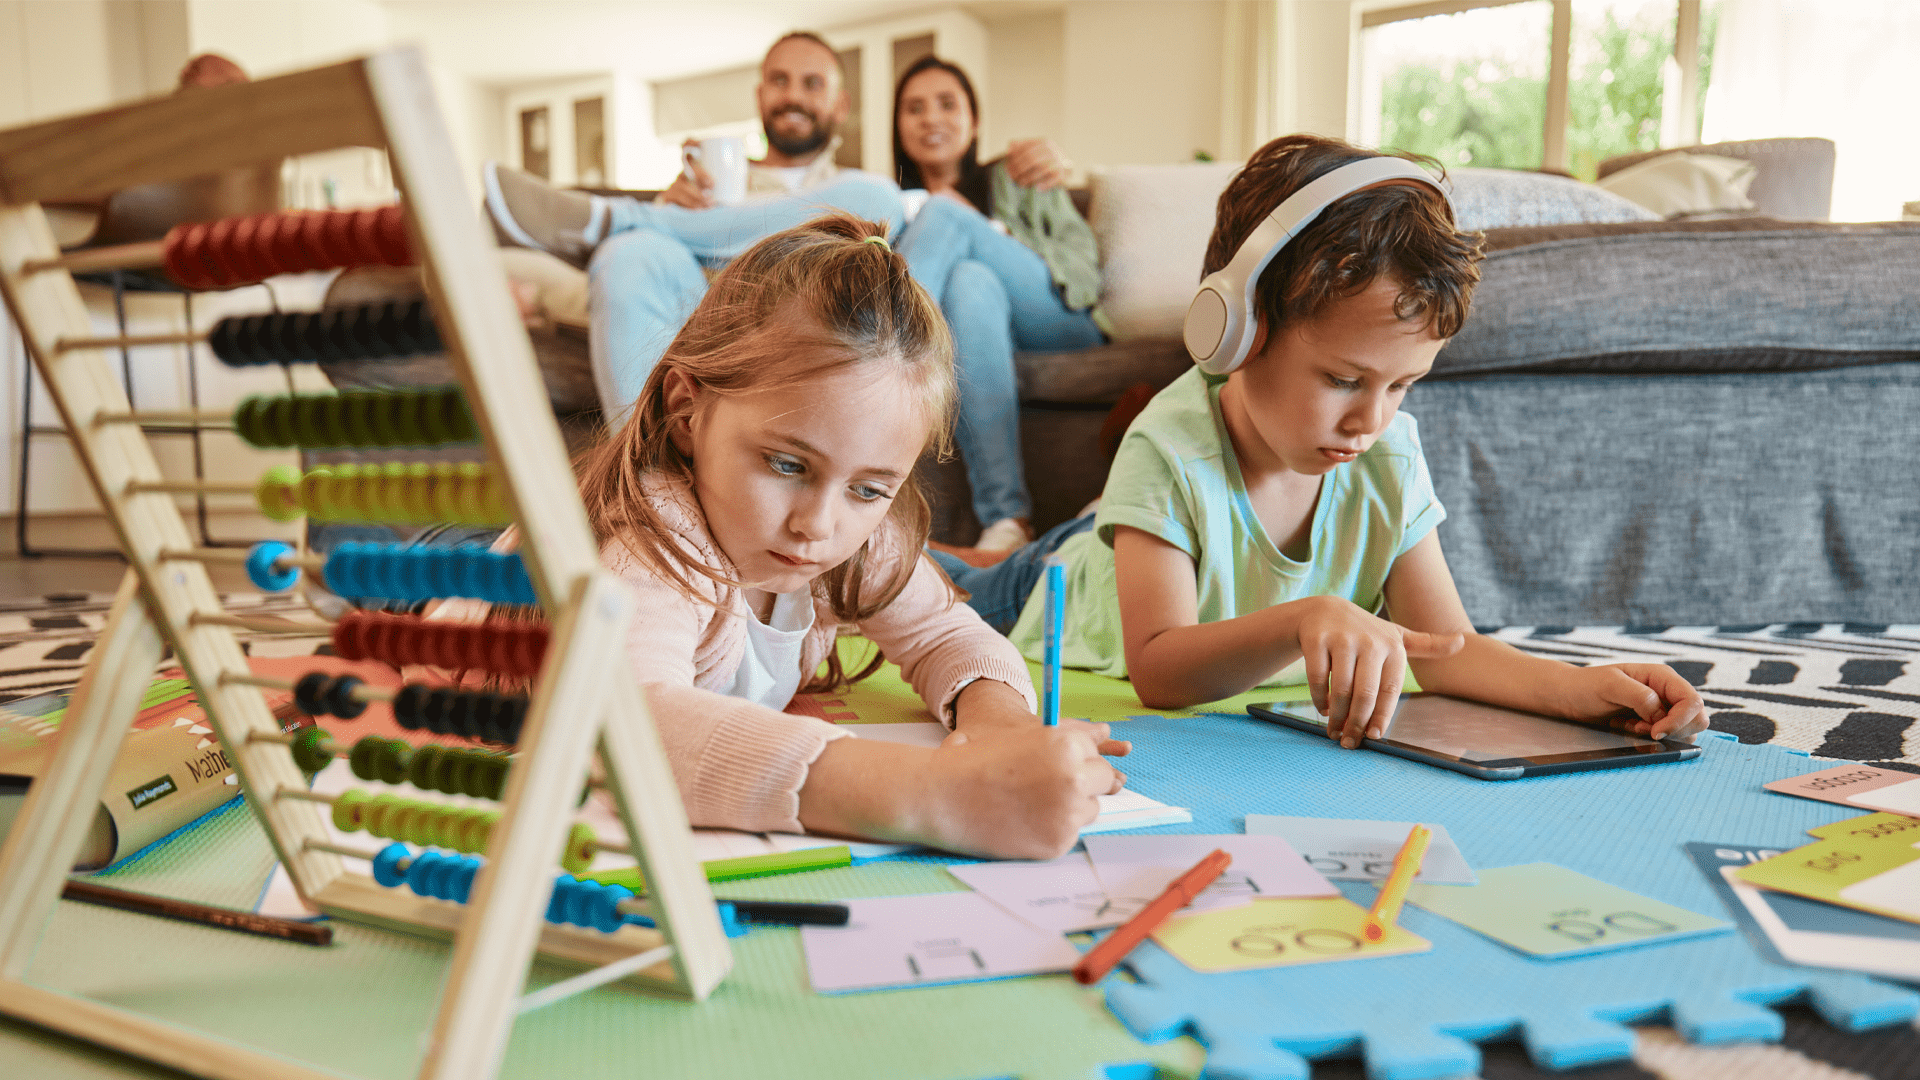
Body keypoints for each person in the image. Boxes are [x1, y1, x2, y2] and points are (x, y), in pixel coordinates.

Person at [929, 134, 1710, 749]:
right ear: (1232, 334)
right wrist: (1305, 617)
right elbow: (1161, 670)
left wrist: (1582, 689)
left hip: (1141, 532)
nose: (1372, 419)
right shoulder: (1165, 446)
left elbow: (1446, 649)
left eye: (1401, 385)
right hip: (1071, 583)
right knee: (937, 584)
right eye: (1343, 379)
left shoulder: (1388, 452)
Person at [571, 215, 1129, 859]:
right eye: (786, 464)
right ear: (686, 411)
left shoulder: (855, 541)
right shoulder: (656, 541)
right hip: (448, 593)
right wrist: (938, 794)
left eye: (869, 490)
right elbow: (630, 729)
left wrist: (999, 726)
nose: (819, 524)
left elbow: (945, 633)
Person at [482, 32, 905, 430]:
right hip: (700, 312)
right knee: (630, 252)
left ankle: (613, 216)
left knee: (882, 198)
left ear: (841, 104)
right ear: (760, 96)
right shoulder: (710, 185)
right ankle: (641, 477)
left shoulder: (851, 190)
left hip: (786, 318)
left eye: (812, 83)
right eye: (780, 81)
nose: (793, 95)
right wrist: (675, 209)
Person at [892, 55, 1108, 552]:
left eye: (947, 104)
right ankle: (1007, 519)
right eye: (915, 108)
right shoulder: (894, 206)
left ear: (975, 120)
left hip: (1059, 316)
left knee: (947, 218)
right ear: (898, 125)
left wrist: (995, 236)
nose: (931, 118)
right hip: (973, 327)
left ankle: (874, 343)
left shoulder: (1016, 176)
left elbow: (1082, 269)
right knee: (969, 282)